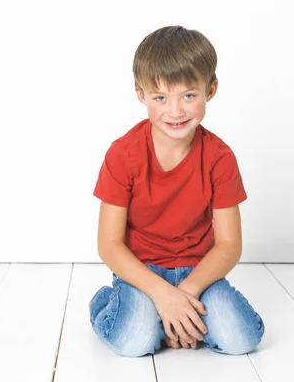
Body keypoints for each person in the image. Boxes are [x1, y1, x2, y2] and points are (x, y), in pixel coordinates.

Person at [88, 26, 265, 357]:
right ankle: (107, 302)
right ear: (140, 95)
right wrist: (161, 293)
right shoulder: (123, 154)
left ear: (210, 89)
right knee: (135, 343)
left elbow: (229, 244)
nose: (176, 111)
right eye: (160, 98)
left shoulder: (220, 157)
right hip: (142, 271)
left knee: (242, 339)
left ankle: (170, 318)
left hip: (200, 271)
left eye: (188, 95)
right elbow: (109, 243)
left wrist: (186, 293)